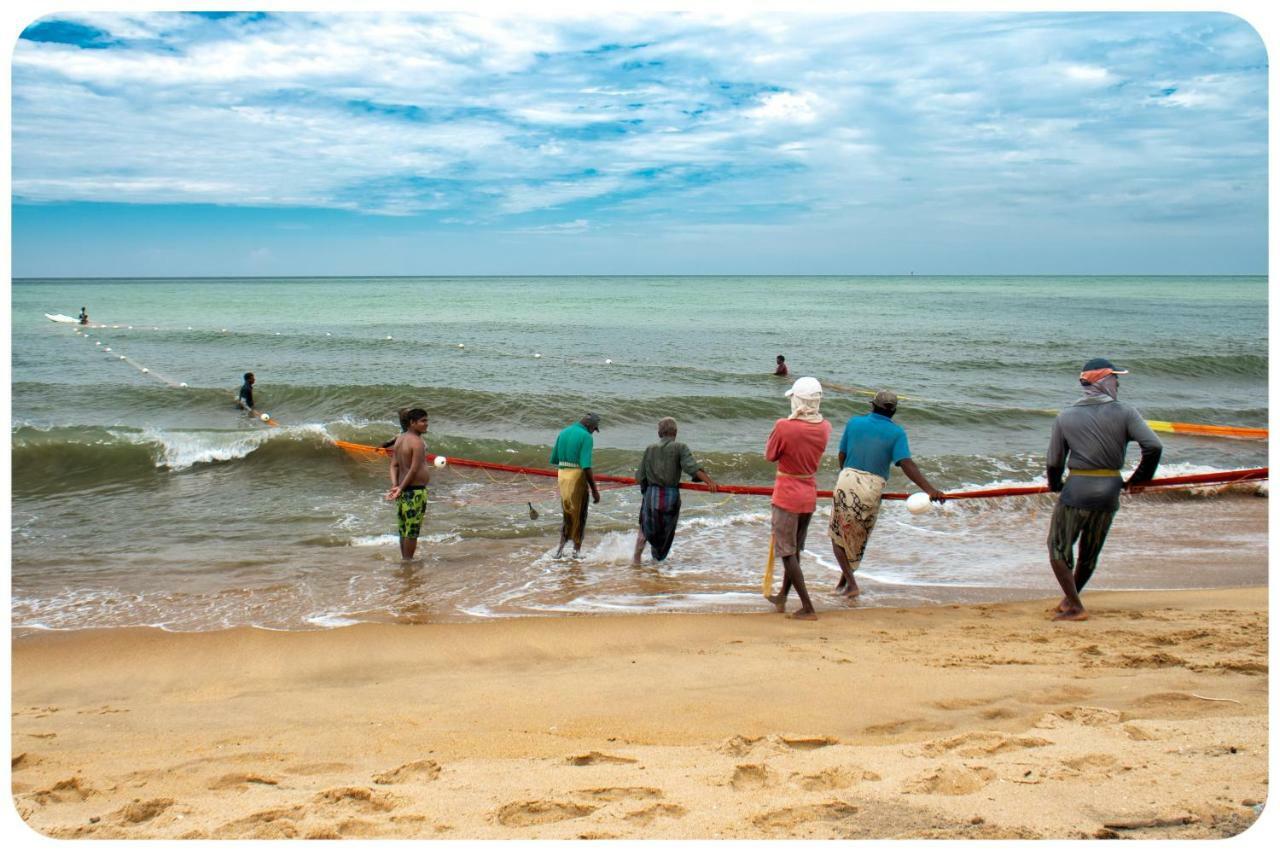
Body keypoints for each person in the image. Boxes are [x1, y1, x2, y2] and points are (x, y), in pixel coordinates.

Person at [1046, 358, 1162, 622]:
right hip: (1109, 491)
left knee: (1058, 549)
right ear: (1103, 382)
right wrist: (1139, 479)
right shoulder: (1126, 412)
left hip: (1076, 491)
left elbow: (1054, 462)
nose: (1118, 383)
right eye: (1114, 378)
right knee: (1090, 551)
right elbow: (1153, 447)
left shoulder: (1066, 416)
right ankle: (1070, 601)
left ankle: (1075, 605)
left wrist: (1055, 486)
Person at [828, 390, 945, 598]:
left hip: (848, 479)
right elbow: (906, 464)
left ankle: (851, 584)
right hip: (873, 486)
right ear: (894, 411)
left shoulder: (854, 423)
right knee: (859, 536)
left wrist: (845, 475)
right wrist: (929, 490)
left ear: (873, 405)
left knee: (838, 535)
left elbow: (842, 454)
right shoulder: (897, 433)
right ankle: (843, 583)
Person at [764, 377, 832, 620]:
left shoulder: (784, 426)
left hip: (787, 494)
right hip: (808, 493)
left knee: (786, 551)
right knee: (794, 550)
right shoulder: (825, 427)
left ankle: (807, 606)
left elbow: (770, 455)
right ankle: (783, 595)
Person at [632, 417, 719, 565]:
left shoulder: (649, 448)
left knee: (645, 529)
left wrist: (646, 491)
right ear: (675, 432)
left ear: (660, 433)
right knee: (665, 533)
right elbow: (691, 467)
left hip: (651, 496)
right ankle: (657, 563)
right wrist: (709, 482)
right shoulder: (680, 447)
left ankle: (636, 560)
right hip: (669, 497)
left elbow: (640, 477)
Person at [550, 413, 602, 559]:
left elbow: (554, 459)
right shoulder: (586, 437)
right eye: (594, 429)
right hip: (577, 477)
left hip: (562, 476)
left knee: (568, 514)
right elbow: (586, 466)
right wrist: (595, 491)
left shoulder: (563, 432)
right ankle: (576, 552)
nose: (593, 432)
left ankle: (559, 550)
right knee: (580, 515)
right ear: (589, 426)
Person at [385, 408, 432, 560]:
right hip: (415, 492)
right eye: (423, 421)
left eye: (426, 420)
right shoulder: (417, 442)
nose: (426, 424)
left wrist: (395, 486)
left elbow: (393, 465)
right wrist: (400, 488)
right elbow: (413, 469)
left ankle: (405, 560)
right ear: (412, 423)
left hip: (403, 490)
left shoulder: (400, 439)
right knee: (412, 532)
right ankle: (407, 563)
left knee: (404, 529)